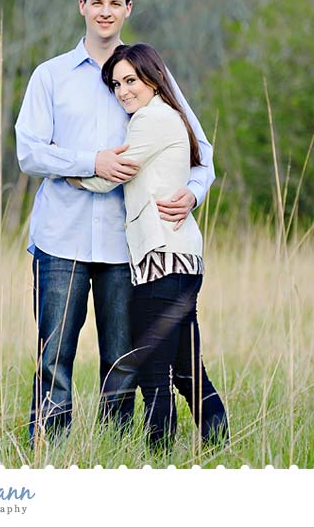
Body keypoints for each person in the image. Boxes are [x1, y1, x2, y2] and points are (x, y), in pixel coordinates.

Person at [14, 0, 215, 444]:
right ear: (82, 6)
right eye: (97, 2)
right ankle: (51, 443)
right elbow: (29, 151)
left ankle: (114, 445)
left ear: (128, 9)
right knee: (54, 353)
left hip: (128, 247)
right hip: (61, 239)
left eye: (115, 3)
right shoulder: (52, 77)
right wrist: (92, 162)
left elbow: (200, 154)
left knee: (123, 358)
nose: (105, 12)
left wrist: (193, 193)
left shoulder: (148, 76)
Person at [68, 43, 229, 449]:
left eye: (131, 81)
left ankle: (158, 456)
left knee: (153, 371)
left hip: (162, 259)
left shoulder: (151, 119)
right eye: (116, 84)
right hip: (180, 257)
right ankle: (220, 446)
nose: (123, 91)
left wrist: (66, 172)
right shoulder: (165, 116)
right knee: (189, 370)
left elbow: (112, 174)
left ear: (154, 79)